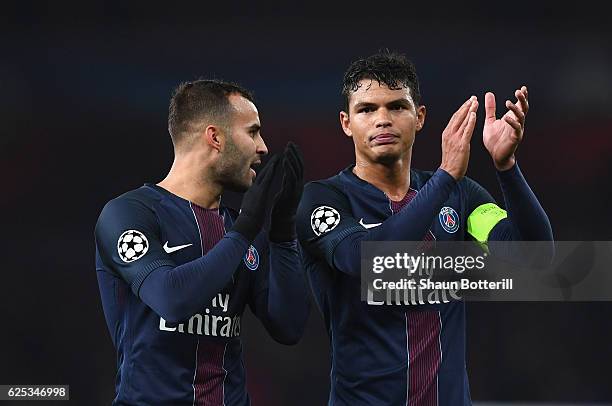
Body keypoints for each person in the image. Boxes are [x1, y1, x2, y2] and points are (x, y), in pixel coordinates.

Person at [296, 51, 554, 405]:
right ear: (346, 123)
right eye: (367, 109)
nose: (382, 120)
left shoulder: (460, 197)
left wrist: (506, 167)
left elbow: (534, 259)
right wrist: (446, 177)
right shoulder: (324, 200)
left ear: (419, 117)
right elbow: (367, 260)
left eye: (397, 107)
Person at [95, 79, 310, 405]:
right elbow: (172, 300)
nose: (263, 146)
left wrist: (282, 235)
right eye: (252, 132)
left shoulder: (240, 228)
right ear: (215, 137)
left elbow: (289, 326)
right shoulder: (129, 214)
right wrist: (245, 231)